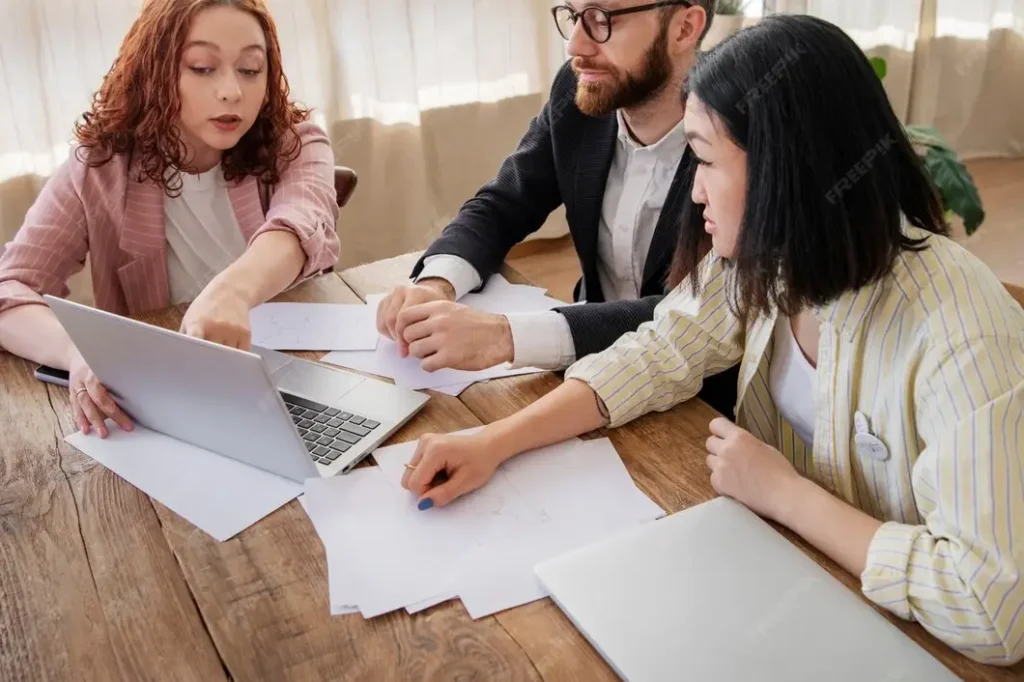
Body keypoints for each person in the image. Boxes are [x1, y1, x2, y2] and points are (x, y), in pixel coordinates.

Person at [400, 14, 1024, 665]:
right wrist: (492, 442)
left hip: (906, 641)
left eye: (702, 157)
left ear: (786, 165)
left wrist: (783, 493)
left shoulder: (959, 327)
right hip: (792, 584)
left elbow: (992, 608)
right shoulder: (765, 257)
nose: (694, 190)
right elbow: (658, 351)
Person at [375, 0, 740, 419]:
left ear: (683, 28)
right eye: (572, 15)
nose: (574, 45)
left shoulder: (735, 132)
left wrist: (503, 336)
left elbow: (692, 315)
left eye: (602, 21)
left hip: (699, 404)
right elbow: (504, 202)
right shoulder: (579, 88)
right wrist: (437, 284)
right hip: (581, 371)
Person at [0, 0, 340, 438]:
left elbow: (301, 224)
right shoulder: (101, 167)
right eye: (202, 67)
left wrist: (231, 294)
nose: (231, 91)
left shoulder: (297, 143)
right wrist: (79, 351)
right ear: (155, 70)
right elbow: (10, 291)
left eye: (251, 69)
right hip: (165, 406)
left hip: (296, 382)